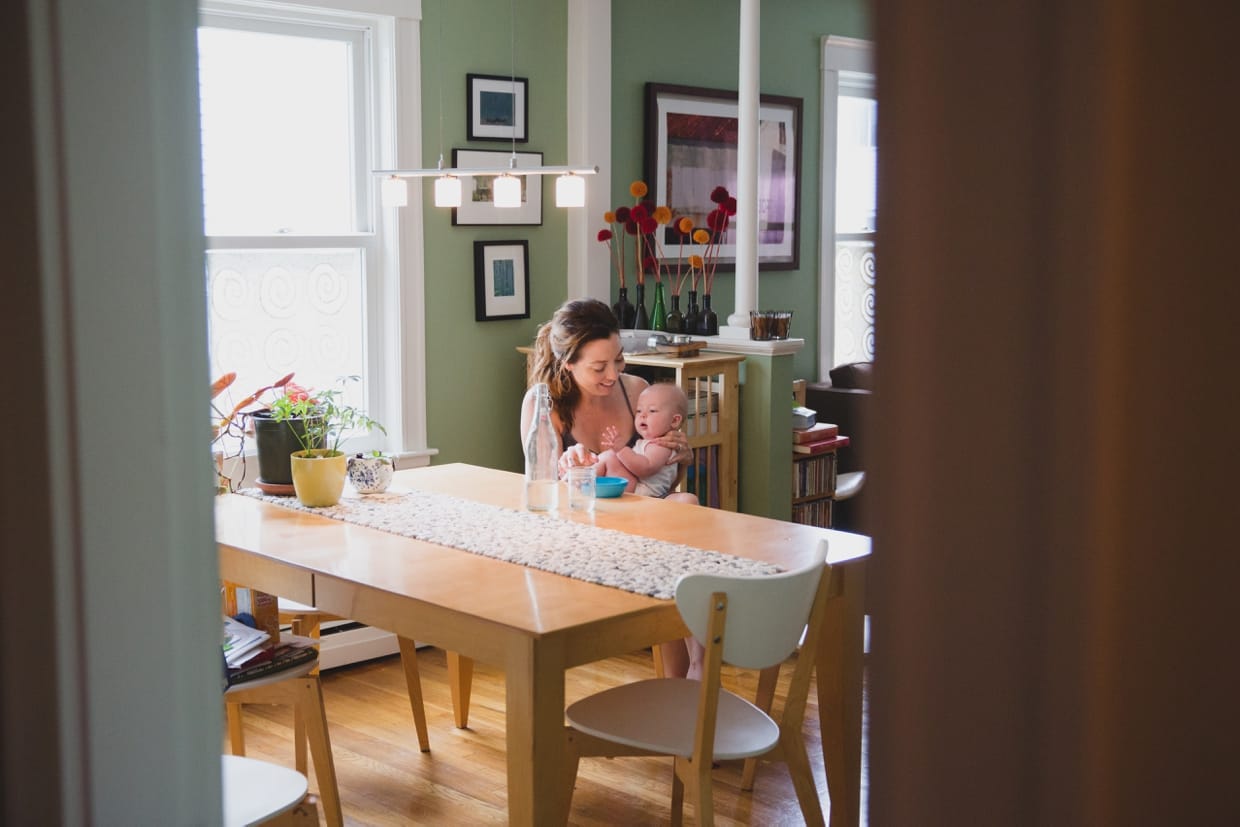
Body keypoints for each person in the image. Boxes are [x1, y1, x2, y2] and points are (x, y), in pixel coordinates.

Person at [521, 298, 702, 679]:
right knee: (666, 552)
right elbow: (541, 487)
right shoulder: (545, 404)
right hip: (580, 532)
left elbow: (663, 472)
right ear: (567, 363)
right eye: (598, 366)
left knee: (678, 534)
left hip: (641, 521)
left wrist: (681, 456)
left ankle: (683, 682)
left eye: (617, 360)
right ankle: (686, 673)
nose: (612, 373)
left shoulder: (635, 389)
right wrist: (568, 468)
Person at [594, 382, 688, 497]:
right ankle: (583, 481)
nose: (643, 415)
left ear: (674, 421)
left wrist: (621, 450)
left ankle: (582, 482)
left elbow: (645, 469)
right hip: (637, 486)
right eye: (639, 411)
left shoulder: (662, 445)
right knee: (607, 457)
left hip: (643, 491)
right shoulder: (649, 443)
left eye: (652, 411)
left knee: (609, 457)